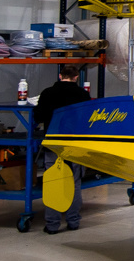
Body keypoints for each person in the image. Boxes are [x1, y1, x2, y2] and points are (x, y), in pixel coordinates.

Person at [33, 64, 92, 234]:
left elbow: (39, 116)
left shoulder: (47, 93)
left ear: (60, 76)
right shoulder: (82, 94)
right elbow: (88, 119)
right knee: (74, 183)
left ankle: (52, 224)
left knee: (54, 182)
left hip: (54, 143)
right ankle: (73, 221)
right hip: (74, 144)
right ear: (76, 78)